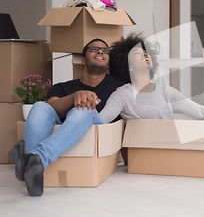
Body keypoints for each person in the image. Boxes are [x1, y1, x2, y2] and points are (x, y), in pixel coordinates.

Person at [9, 39, 126, 197]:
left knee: (84, 110)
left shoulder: (120, 85)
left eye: (105, 51)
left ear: (109, 63)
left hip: (99, 128)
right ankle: (36, 176)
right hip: (68, 131)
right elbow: (52, 107)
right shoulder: (62, 87)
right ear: (82, 60)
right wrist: (74, 97)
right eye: (94, 49)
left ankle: (36, 158)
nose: (100, 52)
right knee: (39, 106)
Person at [99, 33, 204, 124]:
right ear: (128, 66)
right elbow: (100, 121)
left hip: (170, 144)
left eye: (146, 52)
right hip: (144, 149)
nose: (145, 55)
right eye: (137, 53)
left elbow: (199, 111)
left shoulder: (165, 91)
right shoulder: (123, 95)